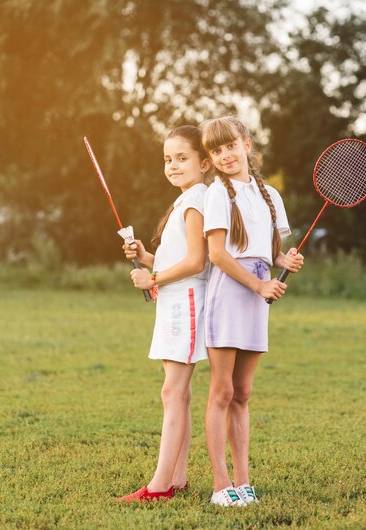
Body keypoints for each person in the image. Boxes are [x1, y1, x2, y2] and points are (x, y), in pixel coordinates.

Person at [201, 116, 304, 507]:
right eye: (216, 150)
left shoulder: (270, 196)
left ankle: (244, 483)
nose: (225, 155)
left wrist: (285, 260)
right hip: (231, 291)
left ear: (247, 144)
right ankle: (220, 485)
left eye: (230, 146)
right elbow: (217, 255)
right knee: (222, 391)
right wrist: (259, 283)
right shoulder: (217, 195)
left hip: (258, 294)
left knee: (243, 393)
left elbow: (271, 252)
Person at [116, 125, 211, 503]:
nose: (172, 165)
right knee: (178, 394)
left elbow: (197, 262)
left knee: (173, 391)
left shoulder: (194, 202)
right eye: (168, 159)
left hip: (185, 303)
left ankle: (159, 487)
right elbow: (178, 260)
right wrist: (146, 257)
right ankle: (178, 477)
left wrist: (151, 277)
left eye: (182, 158)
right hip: (175, 302)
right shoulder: (185, 200)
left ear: (204, 163)